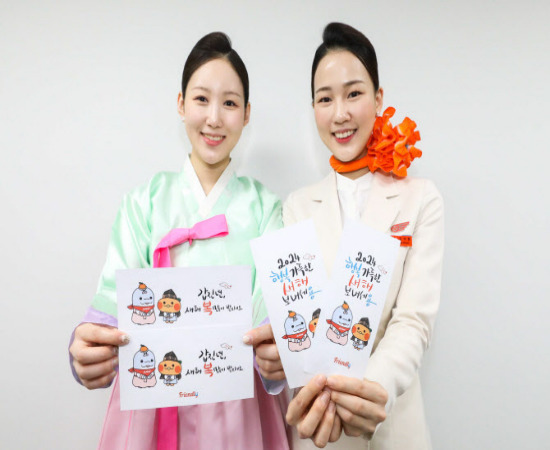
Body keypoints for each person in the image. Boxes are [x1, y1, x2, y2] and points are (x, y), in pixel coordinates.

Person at [69, 32, 290, 450]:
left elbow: (273, 311)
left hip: (238, 406)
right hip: (152, 400)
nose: (214, 118)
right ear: (181, 103)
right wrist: (88, 347)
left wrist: (278, 351)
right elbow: (110, 304)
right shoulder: (143, 202)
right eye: (202, 99)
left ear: (246, 114)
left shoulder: (266, 208)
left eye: (230, 103)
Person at [283, 23, 444, 449]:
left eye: (353, 93)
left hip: (396, 425)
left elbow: (413, 321)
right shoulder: (296, 207)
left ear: (378, 98)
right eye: (325, 98)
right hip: (323, 431)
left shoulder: (421, 199)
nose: (340, 114)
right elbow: (301, 322)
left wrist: (371, 390)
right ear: (313, 108)